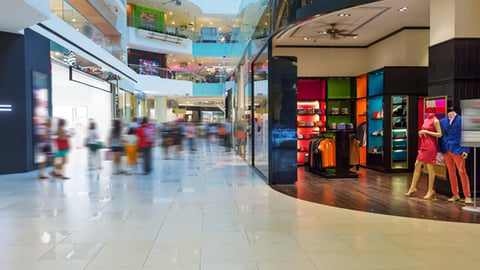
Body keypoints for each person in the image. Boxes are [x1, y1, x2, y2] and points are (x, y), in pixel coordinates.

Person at [405, 113, 442, 200]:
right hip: (423, 145)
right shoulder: (426, 120)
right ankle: (412, 187)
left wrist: (426, 132)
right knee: (417, 164)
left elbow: (439, 134)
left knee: (430, 167)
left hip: (431, 146)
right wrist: (421, 133)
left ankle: (430, 190)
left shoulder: (435, 121)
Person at [439, 107, 472, 204]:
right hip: (446, 149)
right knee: (451, 172)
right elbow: (441, 136)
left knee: (462, 171)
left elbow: (465, 135)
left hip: (458, 149)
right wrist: (440, 149)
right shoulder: (442, 121)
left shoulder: (461, 120)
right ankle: (455, 194)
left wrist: (466, 149)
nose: (450, 112)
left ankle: (467, 195)